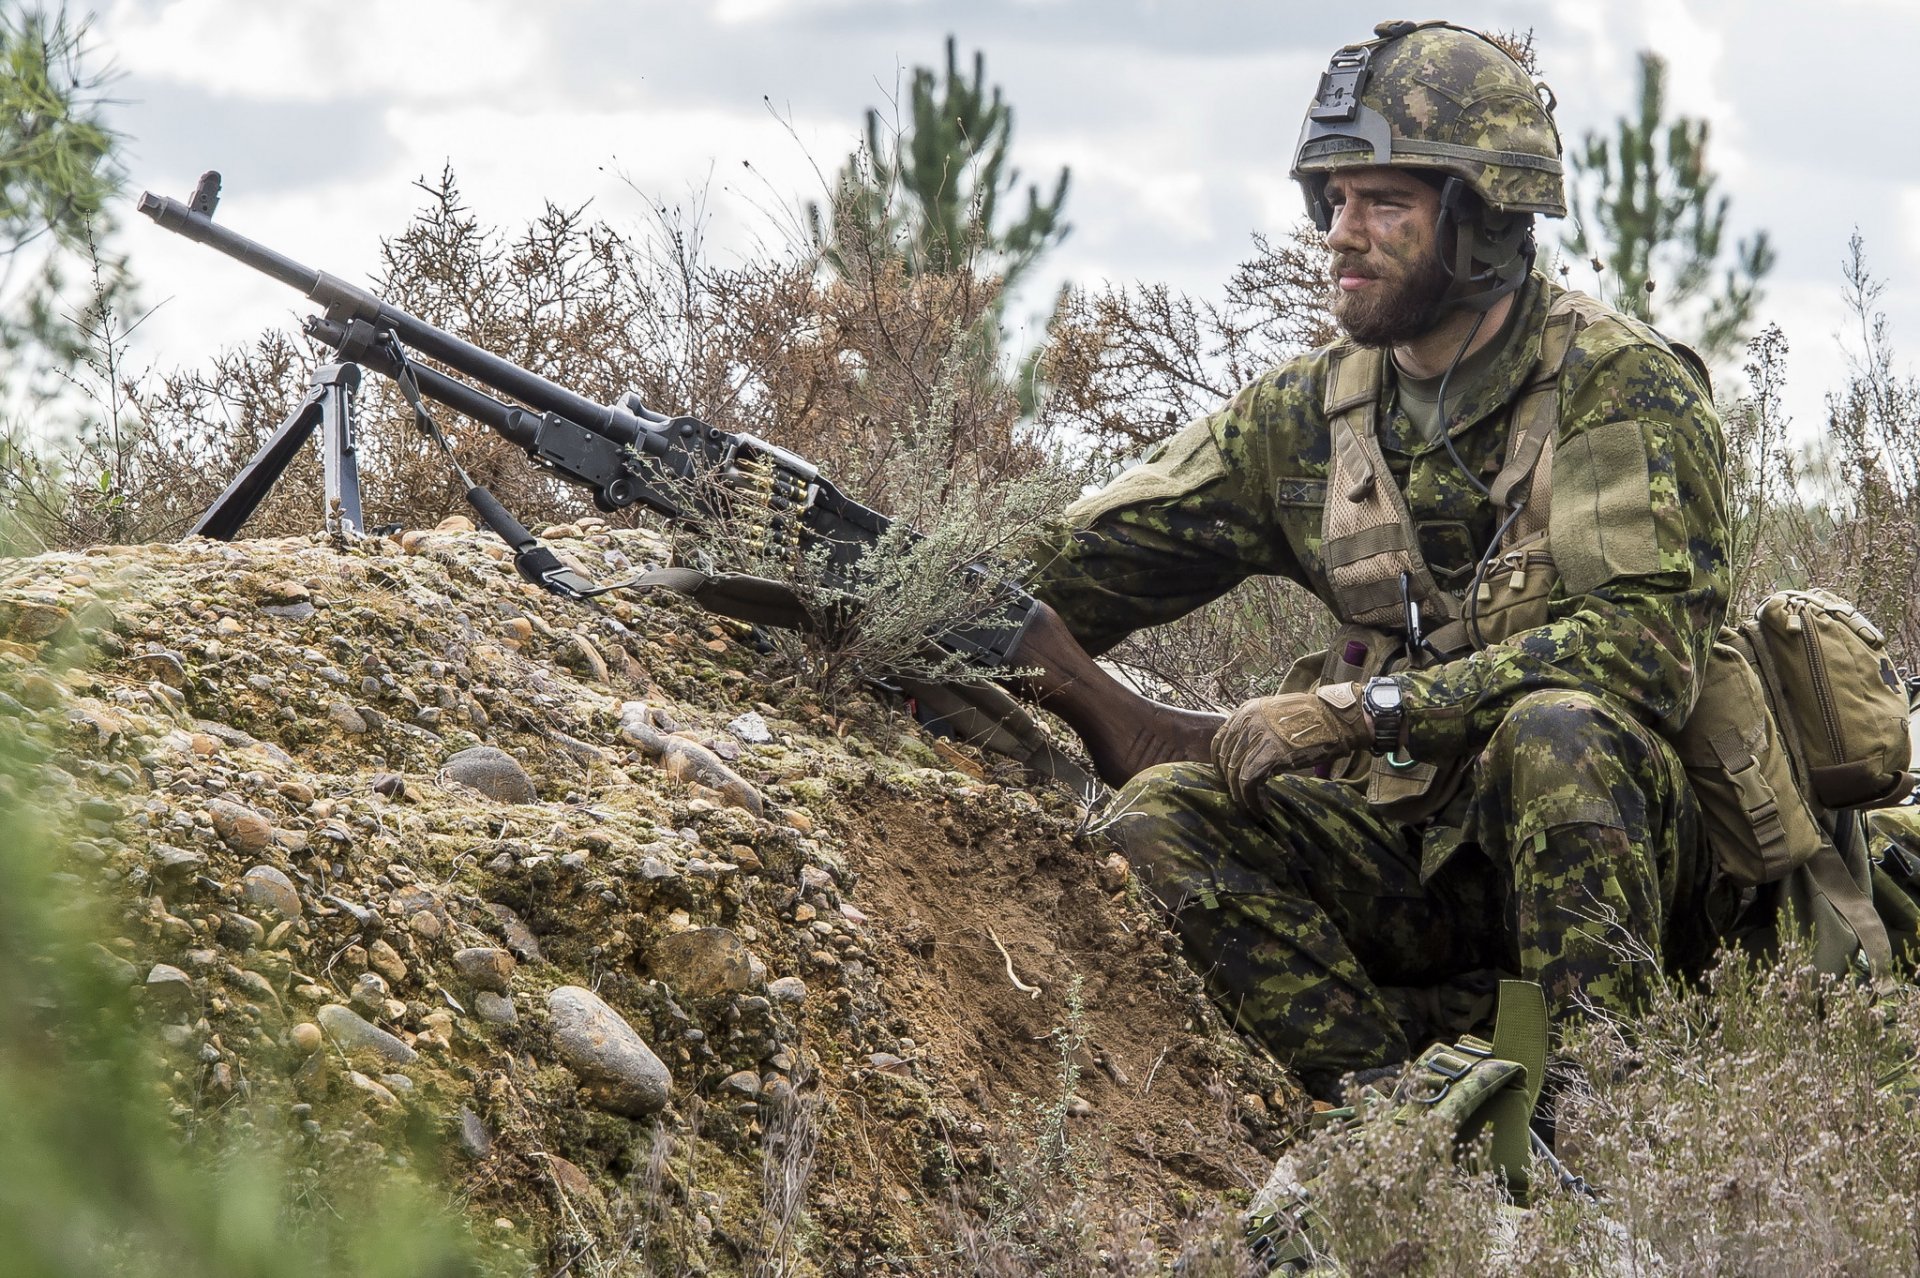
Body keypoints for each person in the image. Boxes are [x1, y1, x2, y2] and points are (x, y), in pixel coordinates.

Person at [1026, 19, 1730, 1103]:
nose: (1342, 236)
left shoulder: (1616, 387)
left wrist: (1364, 713)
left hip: (1629, 873)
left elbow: (1646, 654)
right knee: (1160, 814)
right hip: (1415, 866)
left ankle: (1607, 1113)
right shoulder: (1304, 420)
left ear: (1482, 222)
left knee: (1560, 730)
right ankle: (1397, 1121)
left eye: (1384, 205)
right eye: (1333, 202)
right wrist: (898, 604)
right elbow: (1068, 571)